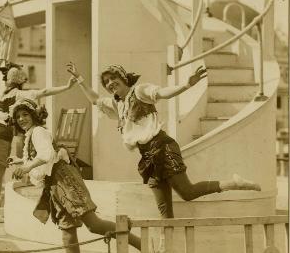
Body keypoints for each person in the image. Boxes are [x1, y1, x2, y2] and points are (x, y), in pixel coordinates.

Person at [66, 62, 261, 222]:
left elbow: (163, 92)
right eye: (106, 82)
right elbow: (95, 100)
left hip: (162, 146)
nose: (110, 84)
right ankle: (166, 247)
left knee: (187, 192)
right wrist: (79, 79)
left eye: (113, 79)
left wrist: (186, 85)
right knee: (164, 209)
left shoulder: (140, 91)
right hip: (147, 155)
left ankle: (234, 183)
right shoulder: (118, 104)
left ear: (123, 78)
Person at [9, 98, 161, 253]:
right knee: (67, 233)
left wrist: (26, 167)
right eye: (19, 116)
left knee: (93, 224)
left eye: (25, 114)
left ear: (34, 115)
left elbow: (47, 154)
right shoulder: (30, 135)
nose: (22, 119)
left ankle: (142, 245)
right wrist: (20, 163)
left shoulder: (38, 131)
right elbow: (40, 158)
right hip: (54, 185)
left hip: (64, 179)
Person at [0, 65, 77, 216]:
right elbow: (45, 92)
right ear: (20, 82)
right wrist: (67, 87)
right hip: (1, 134)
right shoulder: (21, 94)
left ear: (6, 79)